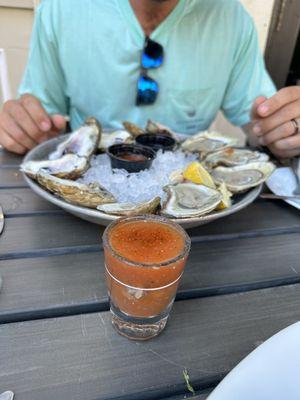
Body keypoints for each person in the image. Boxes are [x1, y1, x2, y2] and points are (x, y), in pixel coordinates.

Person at [0, 0, 299, 159]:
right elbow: (40, 120)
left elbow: (260, 122)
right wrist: (22, 127)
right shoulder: (60, 8)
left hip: (190, 202)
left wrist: (284, 129)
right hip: (85, 186)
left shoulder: (232, 17)